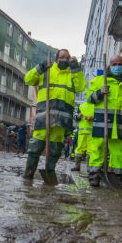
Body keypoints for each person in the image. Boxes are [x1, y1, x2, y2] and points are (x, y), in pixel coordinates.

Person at [22, 49, 86, 182]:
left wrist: (75, 68)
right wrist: (41, 67)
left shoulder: (72, 74)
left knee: (55, 150)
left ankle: (49, 171)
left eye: (67, 58)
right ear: (56, 59)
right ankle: (28, 175)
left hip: (61, 121)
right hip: (43, 117)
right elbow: (28, 79)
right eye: (61, 57)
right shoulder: (47, 70)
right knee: (35, 147)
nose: (64, 59)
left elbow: (81, 87)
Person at [85, 55, 122, 187]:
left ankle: (116, 176)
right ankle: (94, 175)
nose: (117, 66)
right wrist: (100, 93)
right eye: (114, 64)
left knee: (118, 151)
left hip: (119, 125)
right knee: (97, 148)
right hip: (102, 122)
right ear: (109, 65)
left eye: (120, 64)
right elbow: (89, 99)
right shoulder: (100, 80)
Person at [72, 101, 94, 172]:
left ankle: (89, 168)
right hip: (82, 132)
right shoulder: (81, 106)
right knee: (79, 149)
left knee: (90, 150)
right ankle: (77, 166)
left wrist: (92, 118)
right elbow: (75, 116)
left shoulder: (96, 106)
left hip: (92, 132)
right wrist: (78, 116)